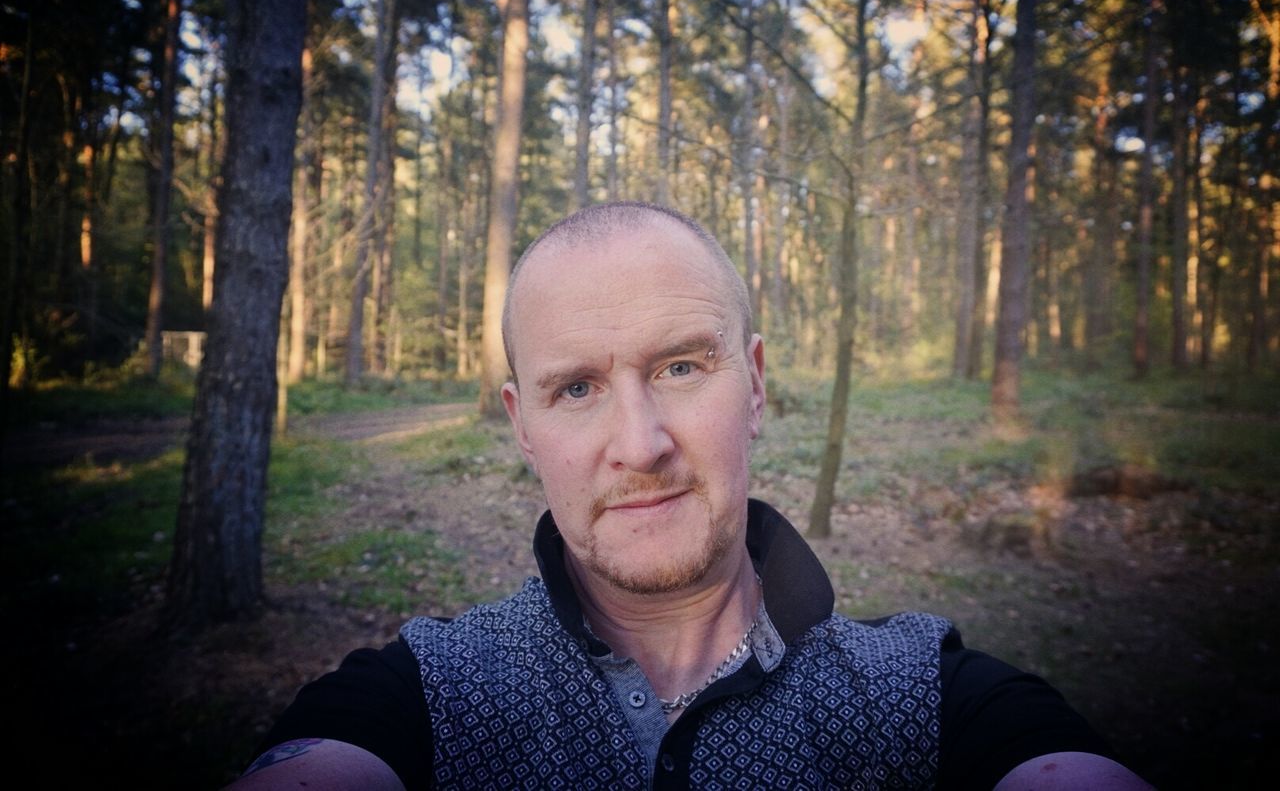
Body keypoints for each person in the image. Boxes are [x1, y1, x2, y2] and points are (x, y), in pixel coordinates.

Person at [230, 202, 1152, 789]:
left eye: (680, 365)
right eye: (577, 388)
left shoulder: (925, 700)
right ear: (521, 423)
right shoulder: (427, 700)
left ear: (753, 385)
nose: (640, 444)